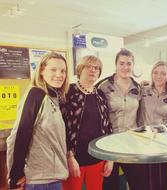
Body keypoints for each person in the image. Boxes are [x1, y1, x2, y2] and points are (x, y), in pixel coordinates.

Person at [6, 52, 69, 190]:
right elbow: (18, 137)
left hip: (52, 176)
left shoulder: (53, 97)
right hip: (40, 180)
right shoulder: (36, 94)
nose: (59, 74)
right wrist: (15, 176)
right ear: (41, 70)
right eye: (53, 69)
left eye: (63, 71)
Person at [60, 56, 113, 190]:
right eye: (88, 66)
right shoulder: (68, 92)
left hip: (97, 158)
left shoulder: (100, 94)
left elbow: (107, 126)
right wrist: (69, 156)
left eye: (96, 68)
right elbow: (61, 127)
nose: (92, 70)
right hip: (74, 159)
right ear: (80, 69)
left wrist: (109, 158)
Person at [96, 49, 143, 190]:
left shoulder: (138, 87)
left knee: (137, 184)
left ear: (133, 65)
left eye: (129, 63)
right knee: (111, 185)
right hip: (110, 143)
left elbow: (140, 115)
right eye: (121, 63)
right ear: (116, 65)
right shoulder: (103, 86)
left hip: (131, 143)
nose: (125, 67)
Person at [139, 61, 167, 190]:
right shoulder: (142, 91)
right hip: (144, 141)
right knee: (146, 180)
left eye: (163, 73)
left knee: (163, 181)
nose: (159, 76)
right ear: (151, 74)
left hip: (164, 143)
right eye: (155, 72)